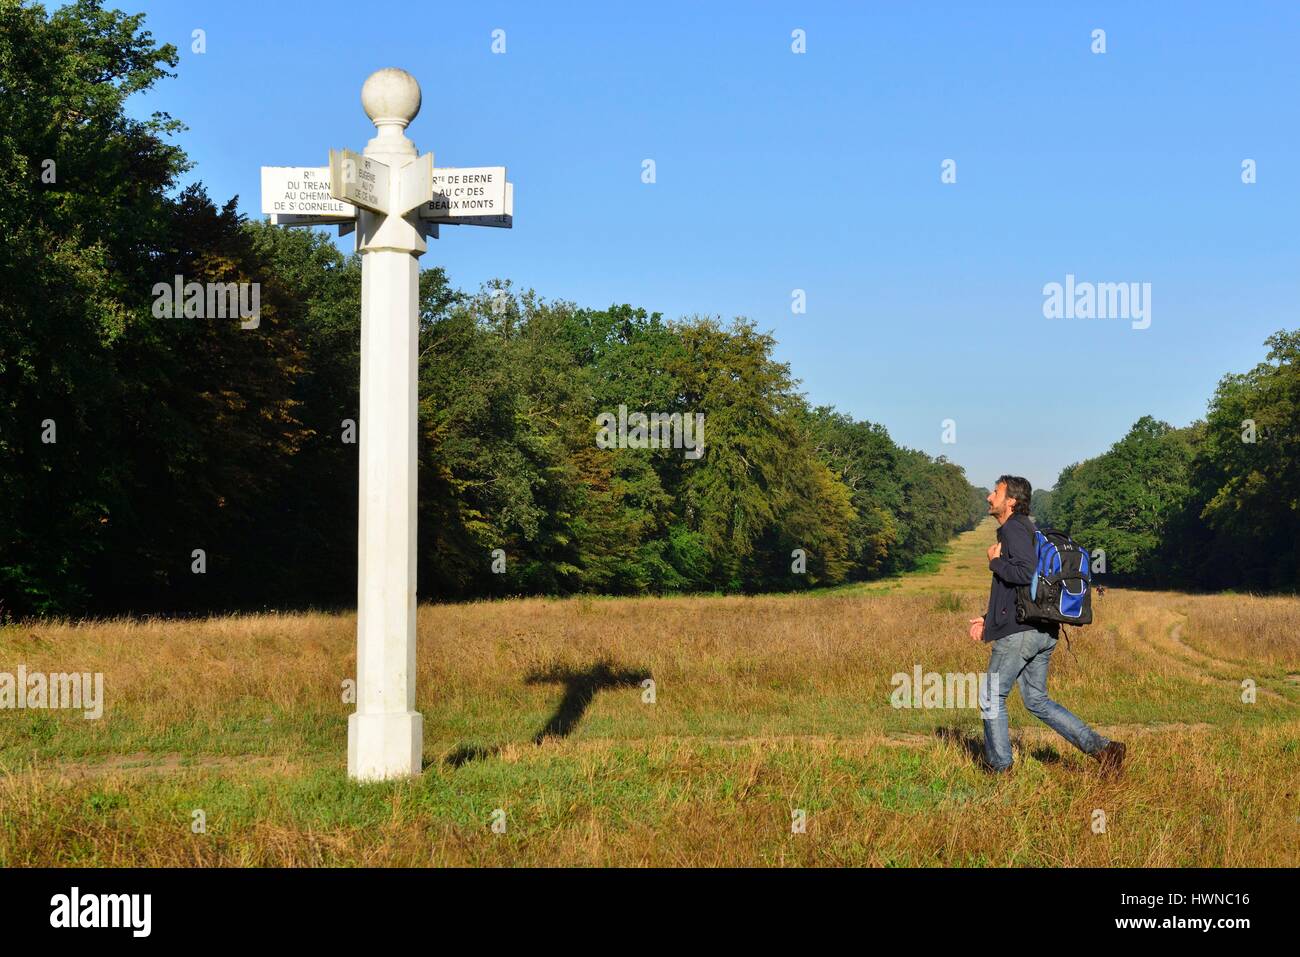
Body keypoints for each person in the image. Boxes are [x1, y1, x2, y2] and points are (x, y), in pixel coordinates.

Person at [967, 475, 1126, 775]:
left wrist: (993, 561)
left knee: (992, 696)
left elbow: (1025, 573)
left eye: (995, 492)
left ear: (1011, 500)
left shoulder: (1013, 528)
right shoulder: (1028, 529)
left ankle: (1000, 768)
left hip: (1020, 634)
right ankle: (1104, 750)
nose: (989, 497)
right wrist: (989, 619)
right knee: (1037, 700)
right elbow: (1025, 590)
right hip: (1042, 629)